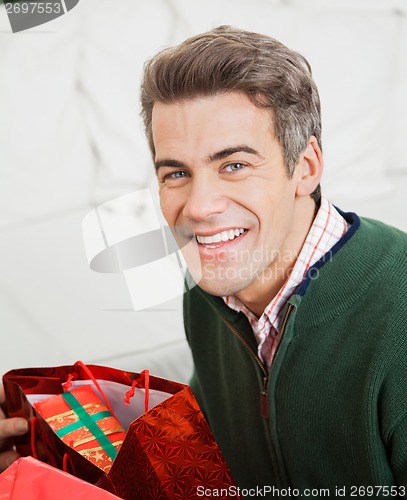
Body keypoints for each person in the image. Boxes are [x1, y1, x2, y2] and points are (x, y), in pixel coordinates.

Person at [1, 25, 407, 496]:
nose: (198, 207)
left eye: (233, 165)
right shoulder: (208, 295)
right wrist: (54, 453)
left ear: (307, 167)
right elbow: (215, 452)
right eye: (177, 172)